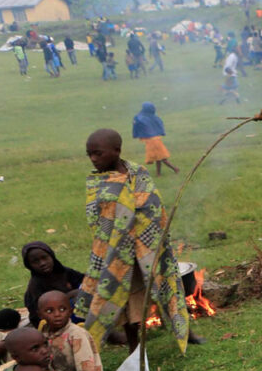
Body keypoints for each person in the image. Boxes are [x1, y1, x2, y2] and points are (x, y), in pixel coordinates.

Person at [75, 129, 193, 353]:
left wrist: (146, 227)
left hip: (149, 246)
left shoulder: (138, 173)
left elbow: (154, 206)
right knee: (126, 298)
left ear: (117, 151)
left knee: (167, 287)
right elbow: (97, 220)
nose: (93, 159)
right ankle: (133, 344)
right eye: (89, 154)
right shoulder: (98, 183)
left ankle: (185, 330)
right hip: (116, 254)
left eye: (98, 154)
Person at [37, 291, 104, 371]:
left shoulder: (76, 334)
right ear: (40, 315)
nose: (57, 314)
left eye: (62, 309)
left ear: (70, 311)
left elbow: (85, 364)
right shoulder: (44, 332)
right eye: (50, 311)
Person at [22, 242, 84, 329]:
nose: (42, 263)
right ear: (29, 266)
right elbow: (39, 315)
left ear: (52, 256)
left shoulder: (64, 272)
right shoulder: (35, 286)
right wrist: (70, 295)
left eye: (44, 258)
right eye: (35, 261)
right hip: (54, 322)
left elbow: (85, 281)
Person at [132, 101, 179, 176]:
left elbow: (138, 123)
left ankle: (175, 169)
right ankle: (158, 173)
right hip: (157, 139)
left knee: (162, 158)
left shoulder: (141, 117)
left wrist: (135, 133)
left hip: (152, 141)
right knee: (158, 158)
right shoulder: (154, 117)